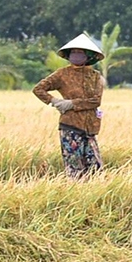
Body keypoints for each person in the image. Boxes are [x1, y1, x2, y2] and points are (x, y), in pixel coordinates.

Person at [33, 33, 106, 179]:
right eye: (73, 52)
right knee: (74, 167)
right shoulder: (62, 74)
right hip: (70, 127)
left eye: (80, 53)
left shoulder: (95, 76)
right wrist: (54, 101)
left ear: (88, 56)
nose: (76, 55)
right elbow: (38, 89)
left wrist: (72, 103)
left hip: (90, 128)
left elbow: (96, 101)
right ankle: (76, 196)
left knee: (96, 168)